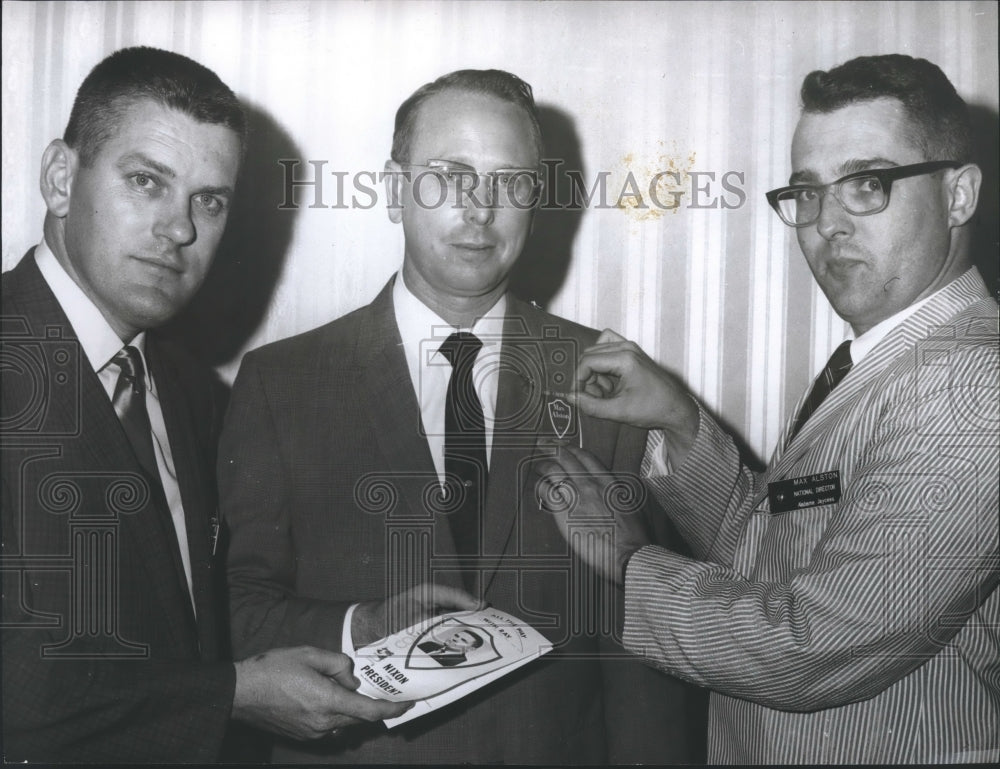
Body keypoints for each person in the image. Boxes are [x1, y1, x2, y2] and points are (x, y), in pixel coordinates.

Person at [220, 69, 696, 763]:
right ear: (393, 188)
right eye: (451, 174)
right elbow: (231, 610)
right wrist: (359, 628)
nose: (480, 208)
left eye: (510, 181)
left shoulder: (608, 382)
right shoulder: (280, 383)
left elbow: (643, 662)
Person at [538, 54, 999, 764]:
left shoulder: (974, 385)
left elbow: (815, 642)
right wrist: (678, 421)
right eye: (808, 193)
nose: (827, 225)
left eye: (867, 184)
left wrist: (630, 563)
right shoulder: (891, 356)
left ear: (959, 194)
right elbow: (775, 551)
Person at [0, 46, 408, 764]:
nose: (180, 229)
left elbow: (191, 623)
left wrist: (359, 627)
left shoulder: (192, 393)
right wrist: (233, 695)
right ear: (60, 178)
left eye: (208, 200)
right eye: (146, 182)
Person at [417, 628, 484, 667]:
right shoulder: (429, 644)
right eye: (456, 636)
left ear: (470, 649)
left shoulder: (458, 664)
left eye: (463, 640)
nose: (455, 639)